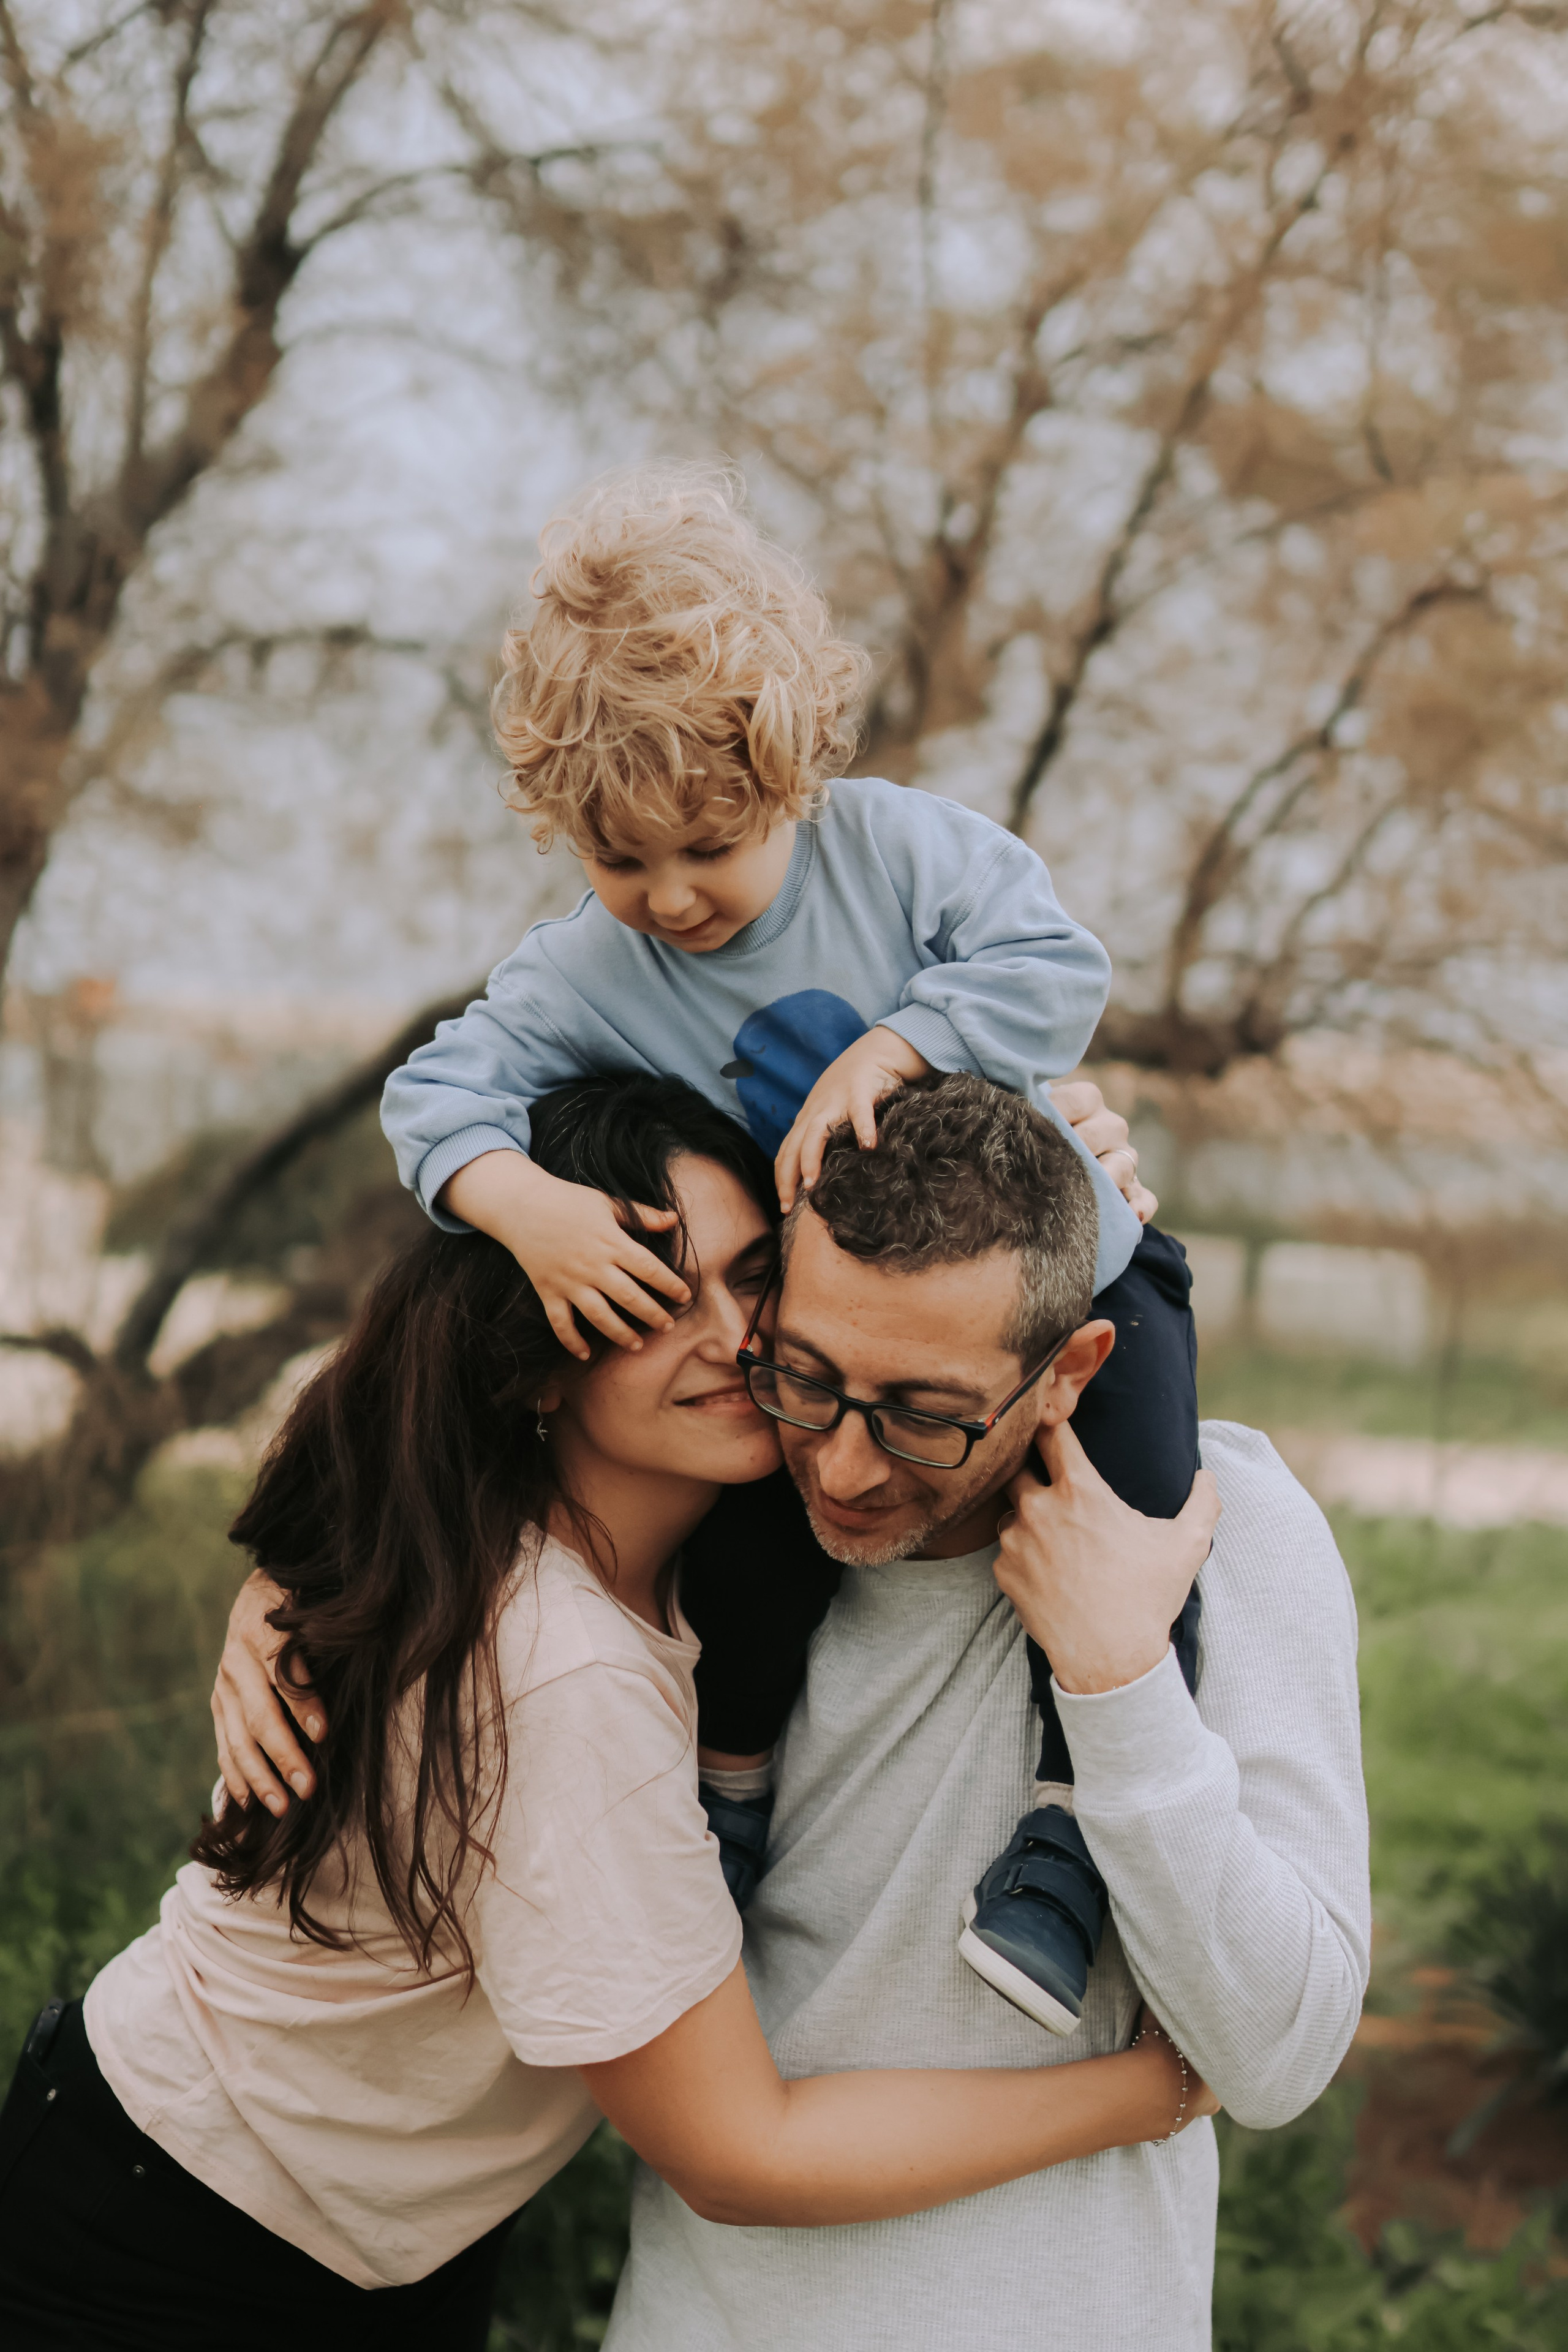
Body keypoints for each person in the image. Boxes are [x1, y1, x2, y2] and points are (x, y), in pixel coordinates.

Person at [0, 1077, 1212, 2352]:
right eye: (650, 1296)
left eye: (753, 1279)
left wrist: (1075, 1159)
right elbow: (740, 2154)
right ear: (532, 1357)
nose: (729, 1336)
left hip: (375, 2241)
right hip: (169, 2242)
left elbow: (975, 1328)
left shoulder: (659, 1554)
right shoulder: (556, 1664)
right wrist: (1159, 2087)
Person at [377, 460, 1200, 2033]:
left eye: (709, 843)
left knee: (1140, 1503)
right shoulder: (589, 970)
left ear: (788, 771)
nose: (669, 896)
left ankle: (1067, 1830)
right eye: (620, 860)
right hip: (818, 1338)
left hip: (1073, 1267)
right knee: (756, 1546)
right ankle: (734, 1787)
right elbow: (435, 1090)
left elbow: (1053, 960)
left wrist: (901, 1043)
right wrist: (521, 1203)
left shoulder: (887, 851)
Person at [599, 1074, 1370, 2352]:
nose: (843, 1466)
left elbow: (1281, 2058)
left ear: (1069, 1370)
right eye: (806, 1377)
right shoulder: (701, 1504)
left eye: (924, 1415)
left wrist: (1120, 1681)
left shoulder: (1226, 1533)